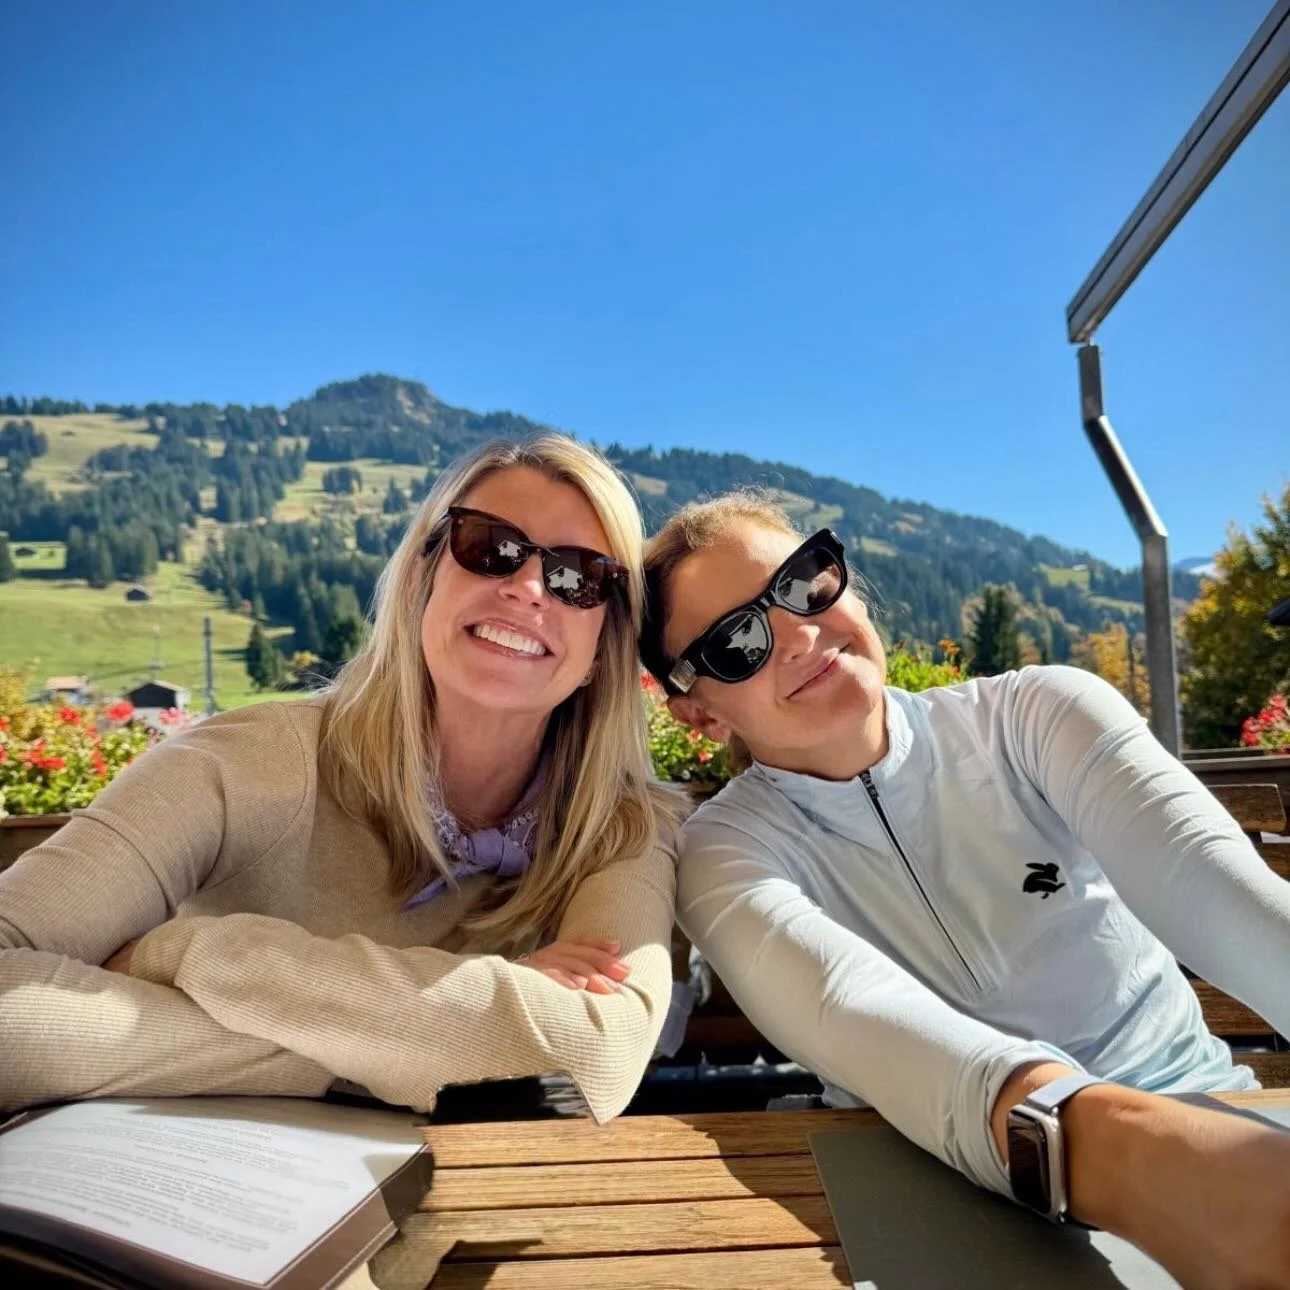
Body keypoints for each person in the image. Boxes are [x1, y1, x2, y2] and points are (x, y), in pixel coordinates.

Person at [641, 491, 1290, 1289]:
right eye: (738, 642)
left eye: (805, 582)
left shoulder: (1037, 715)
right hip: (931, 1193)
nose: (801, 633)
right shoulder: (725, 851)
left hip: (1214, 1119)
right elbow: (861, 1013)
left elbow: (1225, 901)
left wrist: (1220, 1176)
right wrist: (1161, 1173)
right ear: (698, 714)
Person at [1, 434, 684, 1124]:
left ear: (606, 646)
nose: (528, 587)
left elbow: (594, 1053)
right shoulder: (244, 764)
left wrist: (191, 955)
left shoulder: (620, 826)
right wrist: (379, 1059)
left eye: (579, 576)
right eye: (490, 547)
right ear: (420, 580)